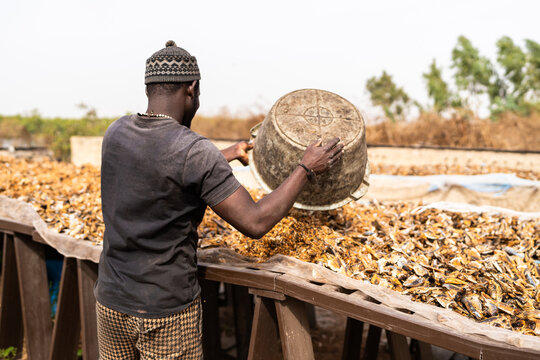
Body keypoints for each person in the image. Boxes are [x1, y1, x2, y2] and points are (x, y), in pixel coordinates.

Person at [94, 40, 344, 359]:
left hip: (111, 301)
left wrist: (222, 155)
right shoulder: (195, 151)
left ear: (149, 89)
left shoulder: (116, 132)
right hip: (165, 312)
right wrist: (306, 168)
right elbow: (255, 222)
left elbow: (160, 164)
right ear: (192, 89)